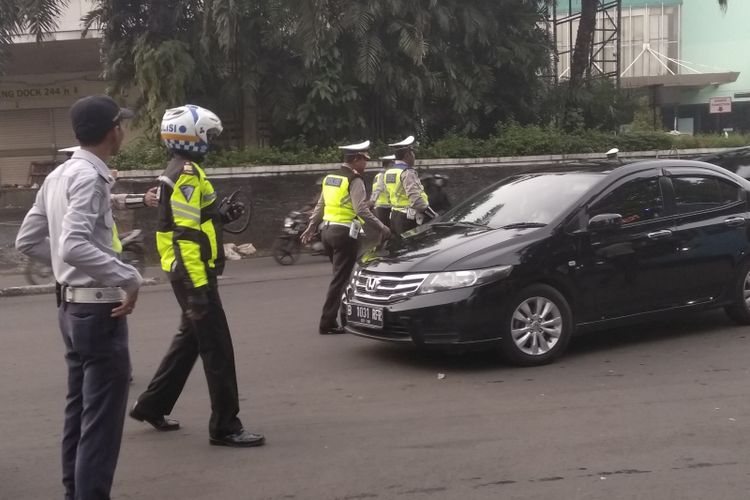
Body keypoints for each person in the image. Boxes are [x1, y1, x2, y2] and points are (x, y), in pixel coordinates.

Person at [16, 95, 142, 500]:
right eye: (120, 125)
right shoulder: (89, 177)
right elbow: (72, 245)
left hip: (71, 307)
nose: (122, 130)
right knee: (101, 423)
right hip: (97, 308)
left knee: (80, 410)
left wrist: (66, 267)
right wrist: (129, 277)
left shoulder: (58, 176)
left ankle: (75, 491)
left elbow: (28, 241)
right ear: (113, 131)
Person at [129, 104, 265, 448]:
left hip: (187, 271)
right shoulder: (187, 174)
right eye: (209, 136)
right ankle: (225, 427)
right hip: (192, 272)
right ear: (193, 138)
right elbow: (185, 235)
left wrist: (221, 213)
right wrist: (198, 289)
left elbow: (197, 217)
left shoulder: (183, 170)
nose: (212, 142)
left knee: (190, 339)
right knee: (217, 348)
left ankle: (151, 405)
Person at [301, 141, 391, 335]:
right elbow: (361, 209)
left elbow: (320, 205)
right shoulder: (354, 180)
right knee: (341, 280)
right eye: (364, 160)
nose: (366, 164)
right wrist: (382, 226)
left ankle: (343, 316)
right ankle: (328, 322)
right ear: (356, 159)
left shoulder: (330, 178)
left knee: (341, 277)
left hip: (327, 233)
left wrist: (311, 226)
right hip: (345, 235)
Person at [384, 135, 437, 235]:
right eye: (412, 153)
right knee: (411, 248)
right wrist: (433, 214)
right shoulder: (407, 172)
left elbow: (388, 196)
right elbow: (416, 200)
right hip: (407, 219)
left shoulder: (389, 172)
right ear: (407, 155)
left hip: (394, 215)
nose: (414, 156)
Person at [370, 155, 394, 225]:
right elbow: (378, 190)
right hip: (384, 207)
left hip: (381, 206)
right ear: (389, 164)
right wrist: (372, 202)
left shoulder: (378, 175)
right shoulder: (383, 175)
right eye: (393, 164)